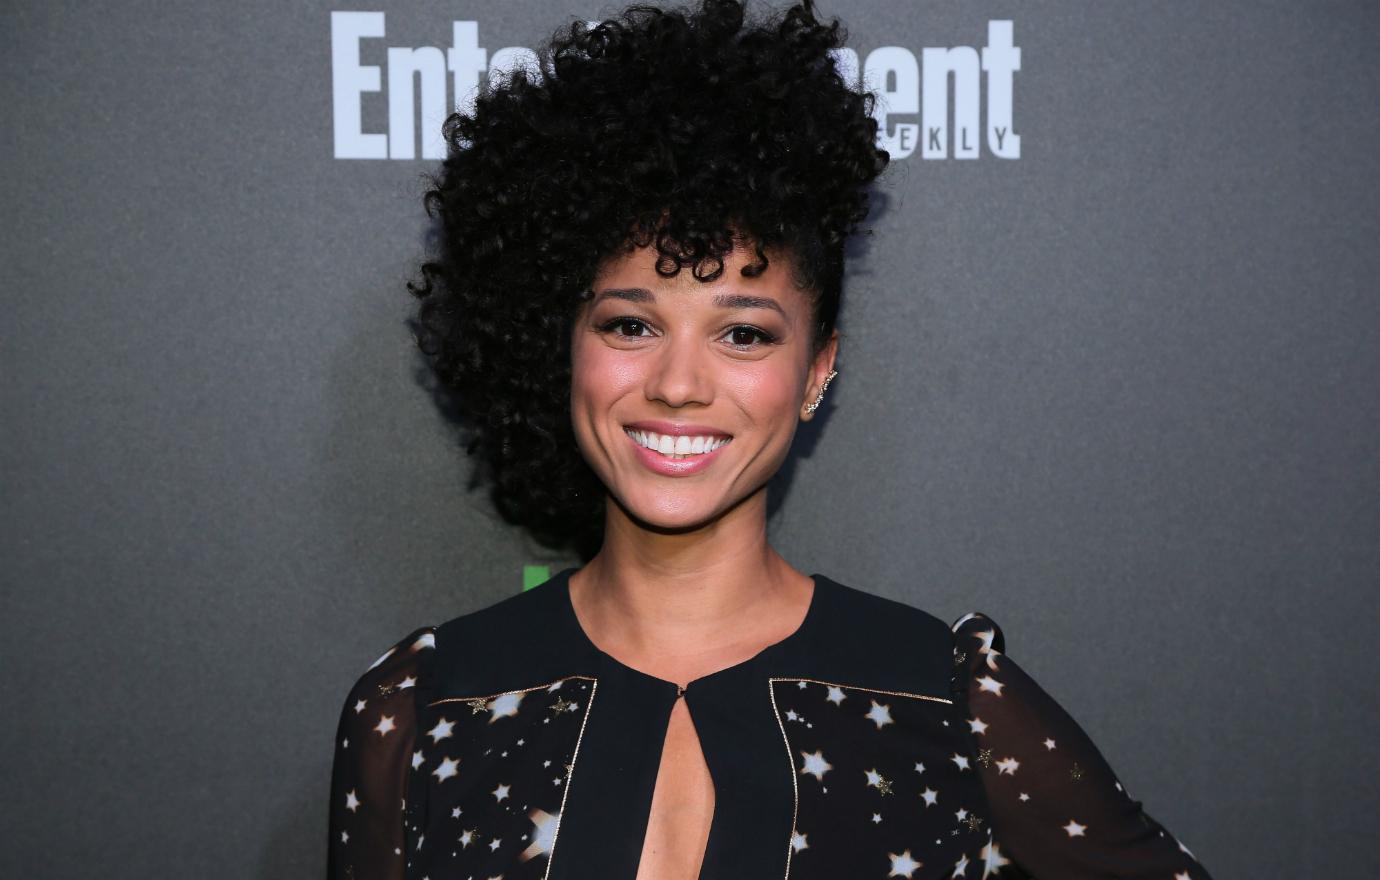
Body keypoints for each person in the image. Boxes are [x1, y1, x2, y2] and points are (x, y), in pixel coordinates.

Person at [326, 1, 1214, 878]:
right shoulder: (425, 708)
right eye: (630, 325)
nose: (677, 384)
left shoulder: (945, 704)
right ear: (556, 342)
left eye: (743, 333)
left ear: (818, 368)